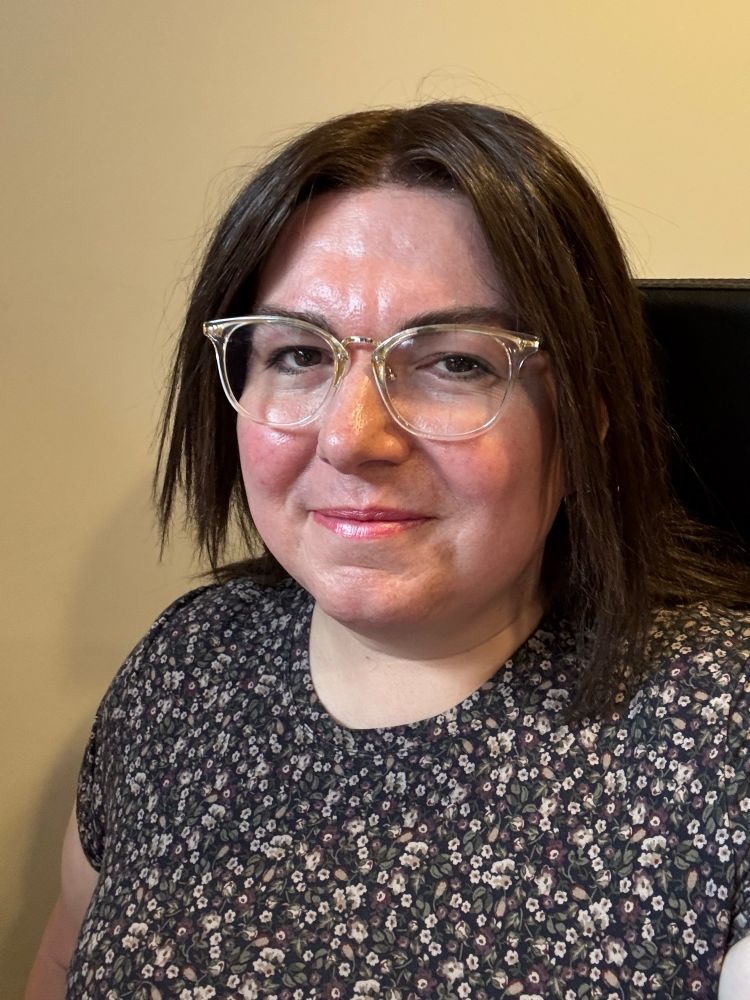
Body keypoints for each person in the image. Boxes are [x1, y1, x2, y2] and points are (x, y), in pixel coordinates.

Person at [26, 102, 750, 999]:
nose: (352, 437)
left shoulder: (722, 730)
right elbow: (63, 960)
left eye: (455, 362)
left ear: (587, 420)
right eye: (297, 353)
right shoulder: (184, 666)